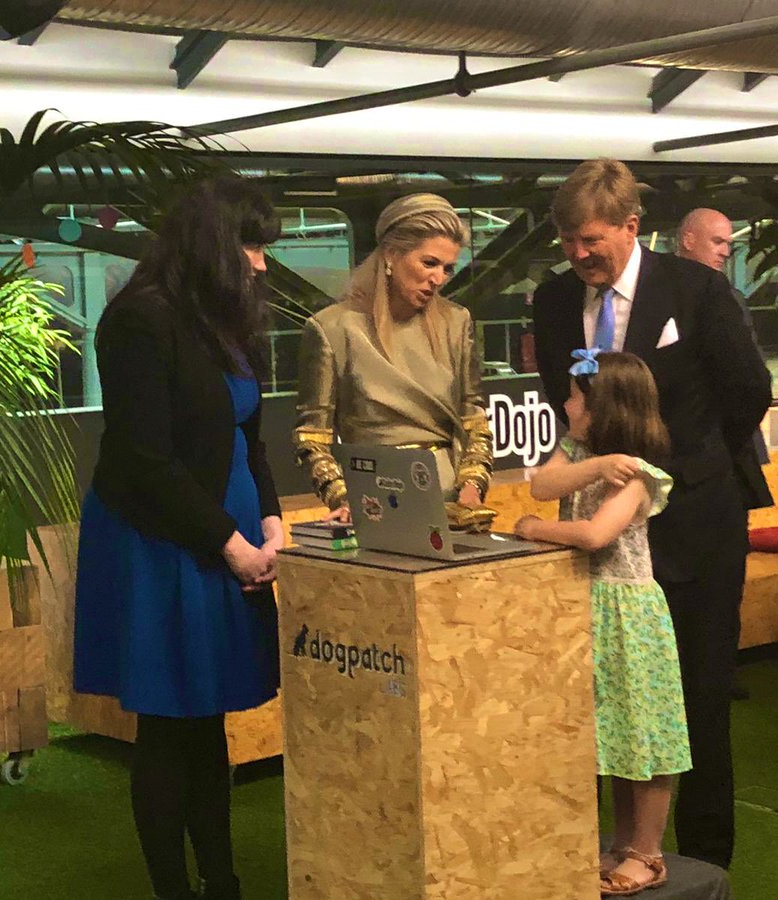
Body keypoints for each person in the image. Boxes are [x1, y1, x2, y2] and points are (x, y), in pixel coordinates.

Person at [533, 159, 771, 869]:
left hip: (697, 529)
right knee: (612, 710)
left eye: (591, 241)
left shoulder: (698, 290)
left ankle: (705, 866)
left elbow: (747, 393)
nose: (579, 256)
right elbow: (563, 400)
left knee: (698, 702)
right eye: (568, 242)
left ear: (632, 227)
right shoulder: (551, 301)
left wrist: (678, 469)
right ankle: (621, 853)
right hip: (603, 552)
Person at [73, 175, 283, 900]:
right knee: (170, 723)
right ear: (214, 244)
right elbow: (144, 459)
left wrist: (273, 521)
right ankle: (176, 889)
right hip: (159, 540)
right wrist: (230, 544)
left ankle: (221, 880)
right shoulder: (140, 319)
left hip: (227, 537)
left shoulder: (225, 322)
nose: (261, 263)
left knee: (209, 718)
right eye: (251, 245)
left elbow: (251, 436)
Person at [514, 349, 689, 897]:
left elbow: (594, 535)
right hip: (585, 609)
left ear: (602, 406)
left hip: (627, 614)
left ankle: (648, 851)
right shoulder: (580, 456)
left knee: (644, 733)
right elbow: (542, 485)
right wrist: (592, 464)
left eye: (574, 396)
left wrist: (532, 529)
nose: (565, 403)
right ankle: (619, 841)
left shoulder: (638, 475)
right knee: (609, 736)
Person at [294, 193, 493, 527]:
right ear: (390, 254)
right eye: (429, 263)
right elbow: (312, 438)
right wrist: (345, 498)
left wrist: (472, 488)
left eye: (447, 269)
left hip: (454, 505)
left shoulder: (457, 322)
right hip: (375, 501)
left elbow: (475, 421)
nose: (439, 279)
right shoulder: (331, 328)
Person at [676, 207, 772, 704]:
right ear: (686, 239)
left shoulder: (731, 298)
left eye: (728, 244)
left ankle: (720, 667)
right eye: (715, 241)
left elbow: (750, 382)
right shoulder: (667, 297)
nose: (723, 251)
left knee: (728, 569)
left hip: (729, 456)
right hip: (684, 460)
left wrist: (726, 438)